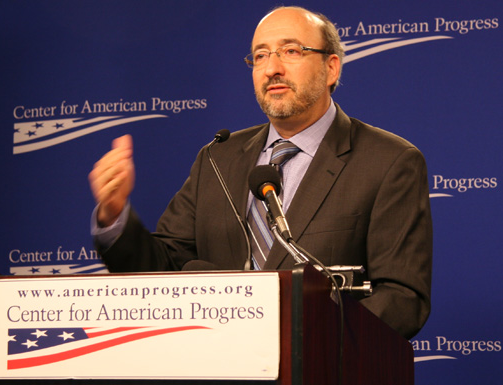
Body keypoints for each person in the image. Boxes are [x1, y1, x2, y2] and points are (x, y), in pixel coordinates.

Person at [89, 6, 432, 339]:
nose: (272, 69)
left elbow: (402, 300)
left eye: (291, 51)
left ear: (331, 69)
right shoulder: (217, 159)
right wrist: (114, 215)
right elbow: (163, 270)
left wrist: (296, 337)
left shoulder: (388, 161)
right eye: (261, 55)